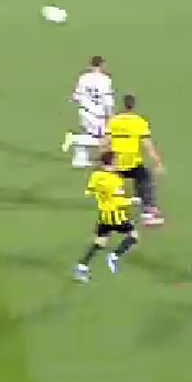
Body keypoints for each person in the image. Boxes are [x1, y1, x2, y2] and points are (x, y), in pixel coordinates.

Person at [75, 151, 140, 283]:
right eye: (115, 162)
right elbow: (118, 201)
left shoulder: (95, 175)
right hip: (115, 215)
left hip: (104, 215)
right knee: (133, 236)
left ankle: (82, 266)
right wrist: (132, 201)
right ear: (110, 164)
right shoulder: (115, 180)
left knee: (100, 242)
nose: (117, 164)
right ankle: (114, 256)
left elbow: (89, 191)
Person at [103, 94, 164, 225]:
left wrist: (104, 162)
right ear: (133, 106)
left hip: (115, 165)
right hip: (132, 163)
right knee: (145, 178)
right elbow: (148, 145)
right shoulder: (139, 122)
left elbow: (105, 142)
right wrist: (158, 163)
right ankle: (148, 214)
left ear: (123, 105)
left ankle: (121, 209)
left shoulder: (114, 121)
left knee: (117, 187)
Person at [62, 56, 114, 168]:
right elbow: (107, 100)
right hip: (97, 115)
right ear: (102, 65)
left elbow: (76, 96)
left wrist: (74, 98)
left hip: (84, 112)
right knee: (102, 139)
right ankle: (74, 138)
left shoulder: (83, 77)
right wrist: (110, 115)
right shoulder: (105, 79)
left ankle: (79, 160)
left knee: (87, 134)